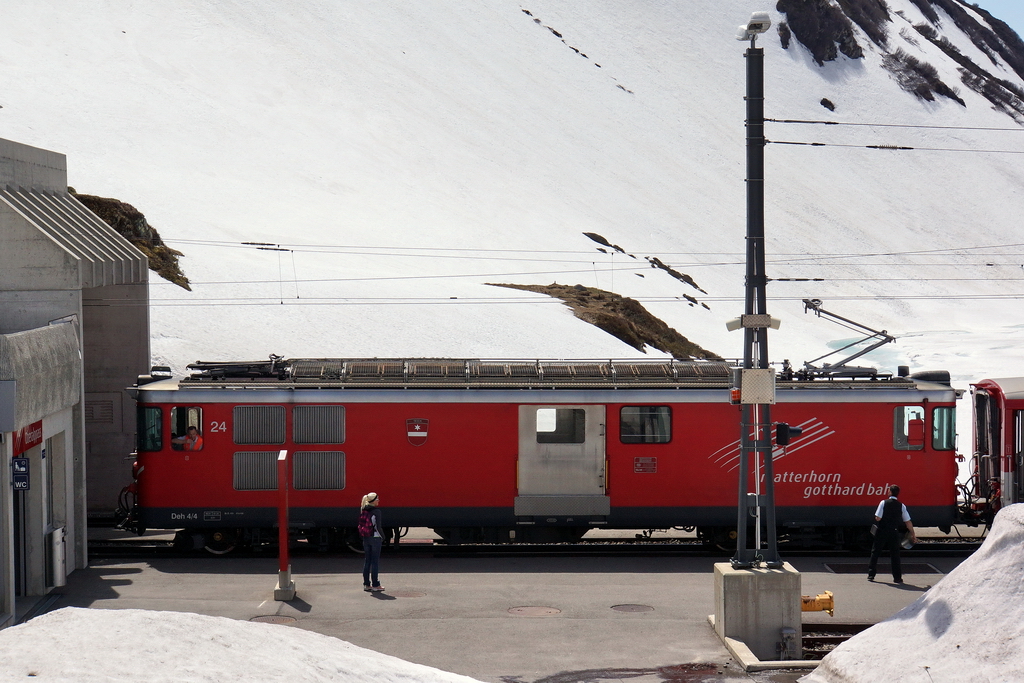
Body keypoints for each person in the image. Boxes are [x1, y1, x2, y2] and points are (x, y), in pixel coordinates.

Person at [868, 484, 917, 583]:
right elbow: (907, 521)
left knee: (875, 552)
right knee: (895, 555)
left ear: (890, 492)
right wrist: (913, 534)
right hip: (894, 532)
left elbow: (878, 518)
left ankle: (871, 574)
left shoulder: (883, 503)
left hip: (882, 531)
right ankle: (897, 578)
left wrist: (877, 518)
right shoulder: (901, 506)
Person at [359, 492, 385, 592]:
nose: (379, 500)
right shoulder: (376, 511)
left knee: (367, 561)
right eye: (377, 499)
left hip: (366, 538)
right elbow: (378, 527)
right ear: (373, 501)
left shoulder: (363, 509)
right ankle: (375, 585)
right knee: (375, 562)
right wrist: (383, 537)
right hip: (375, 538)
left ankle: (366, 584)